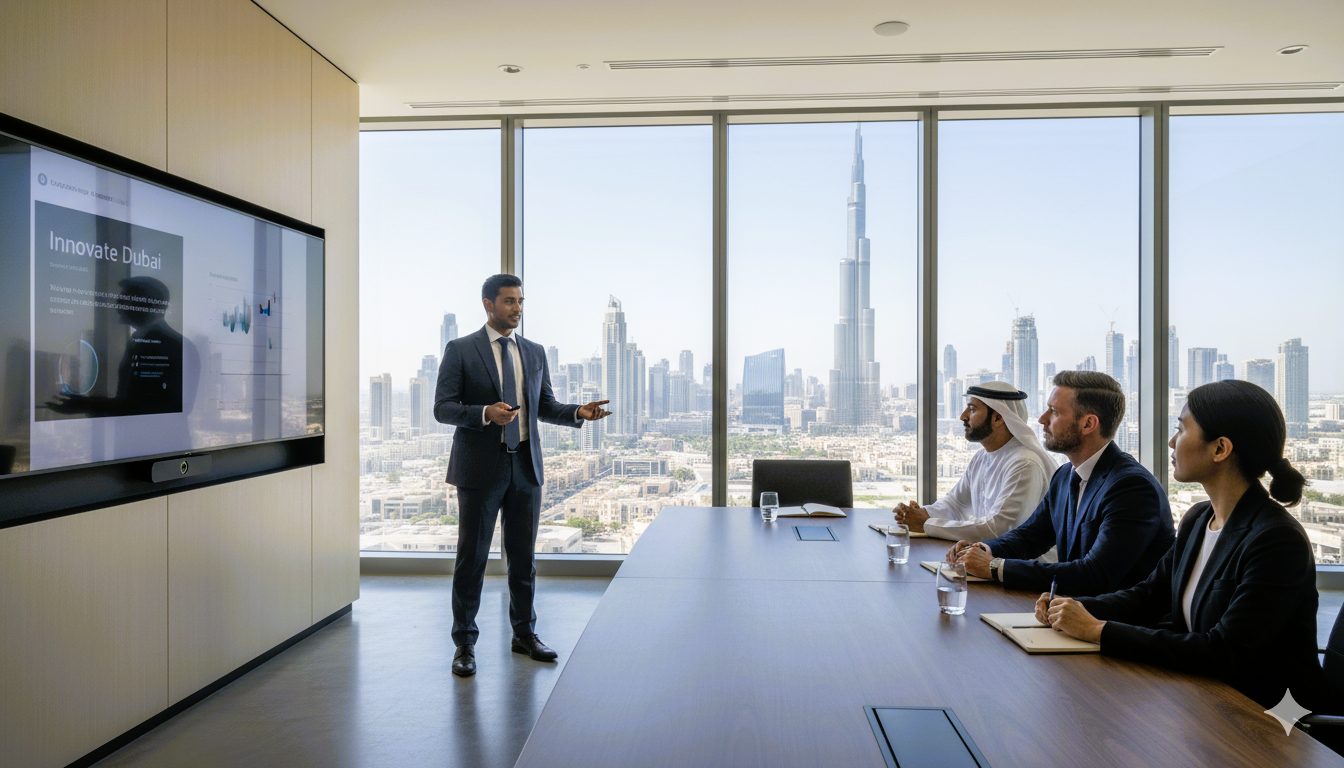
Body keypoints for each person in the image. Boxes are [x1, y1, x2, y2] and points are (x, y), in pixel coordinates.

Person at [1036, 380, 1320, 708]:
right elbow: (1148, 597)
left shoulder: (1276, 540)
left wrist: (1098, 630)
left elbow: (1223, 650)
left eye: (1181, 429)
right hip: (1200, 698)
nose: (1172, 442)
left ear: (1220, 449)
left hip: (1265, 720)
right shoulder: (1199, 519)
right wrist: (1071, 607)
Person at [434, 274, 611, 678]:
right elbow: (443, 408)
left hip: (525, 468)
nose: (517, 308)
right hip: (480, 470)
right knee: (472, 559)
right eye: (509, 301)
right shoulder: (461, 350)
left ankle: (524, 635)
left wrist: (577, 413)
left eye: (520, 301)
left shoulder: (533, 352)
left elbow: (544, 405)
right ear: (488, 304)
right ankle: (464, 643)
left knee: (524, 560)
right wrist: (484, 413)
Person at [946, 371, 1173, 595]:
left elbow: (1094, 575)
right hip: (1067, 613)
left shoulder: (1131, 487)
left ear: (1088, 424)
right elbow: (1031, 536)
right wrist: (982, 549)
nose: (1042, 419)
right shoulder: (1066, 475)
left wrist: (995, 567)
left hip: (1113, 624)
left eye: (1053, 412)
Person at [893, 381, 1056, 542]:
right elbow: (955, 503)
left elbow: (998, 528)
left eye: (972, 409)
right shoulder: (981, 457)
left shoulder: (1024, 464)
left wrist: (925, 524)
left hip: (1022, 565)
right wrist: (921, 514)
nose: (963, 416)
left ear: (998, 418)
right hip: (985, 558)